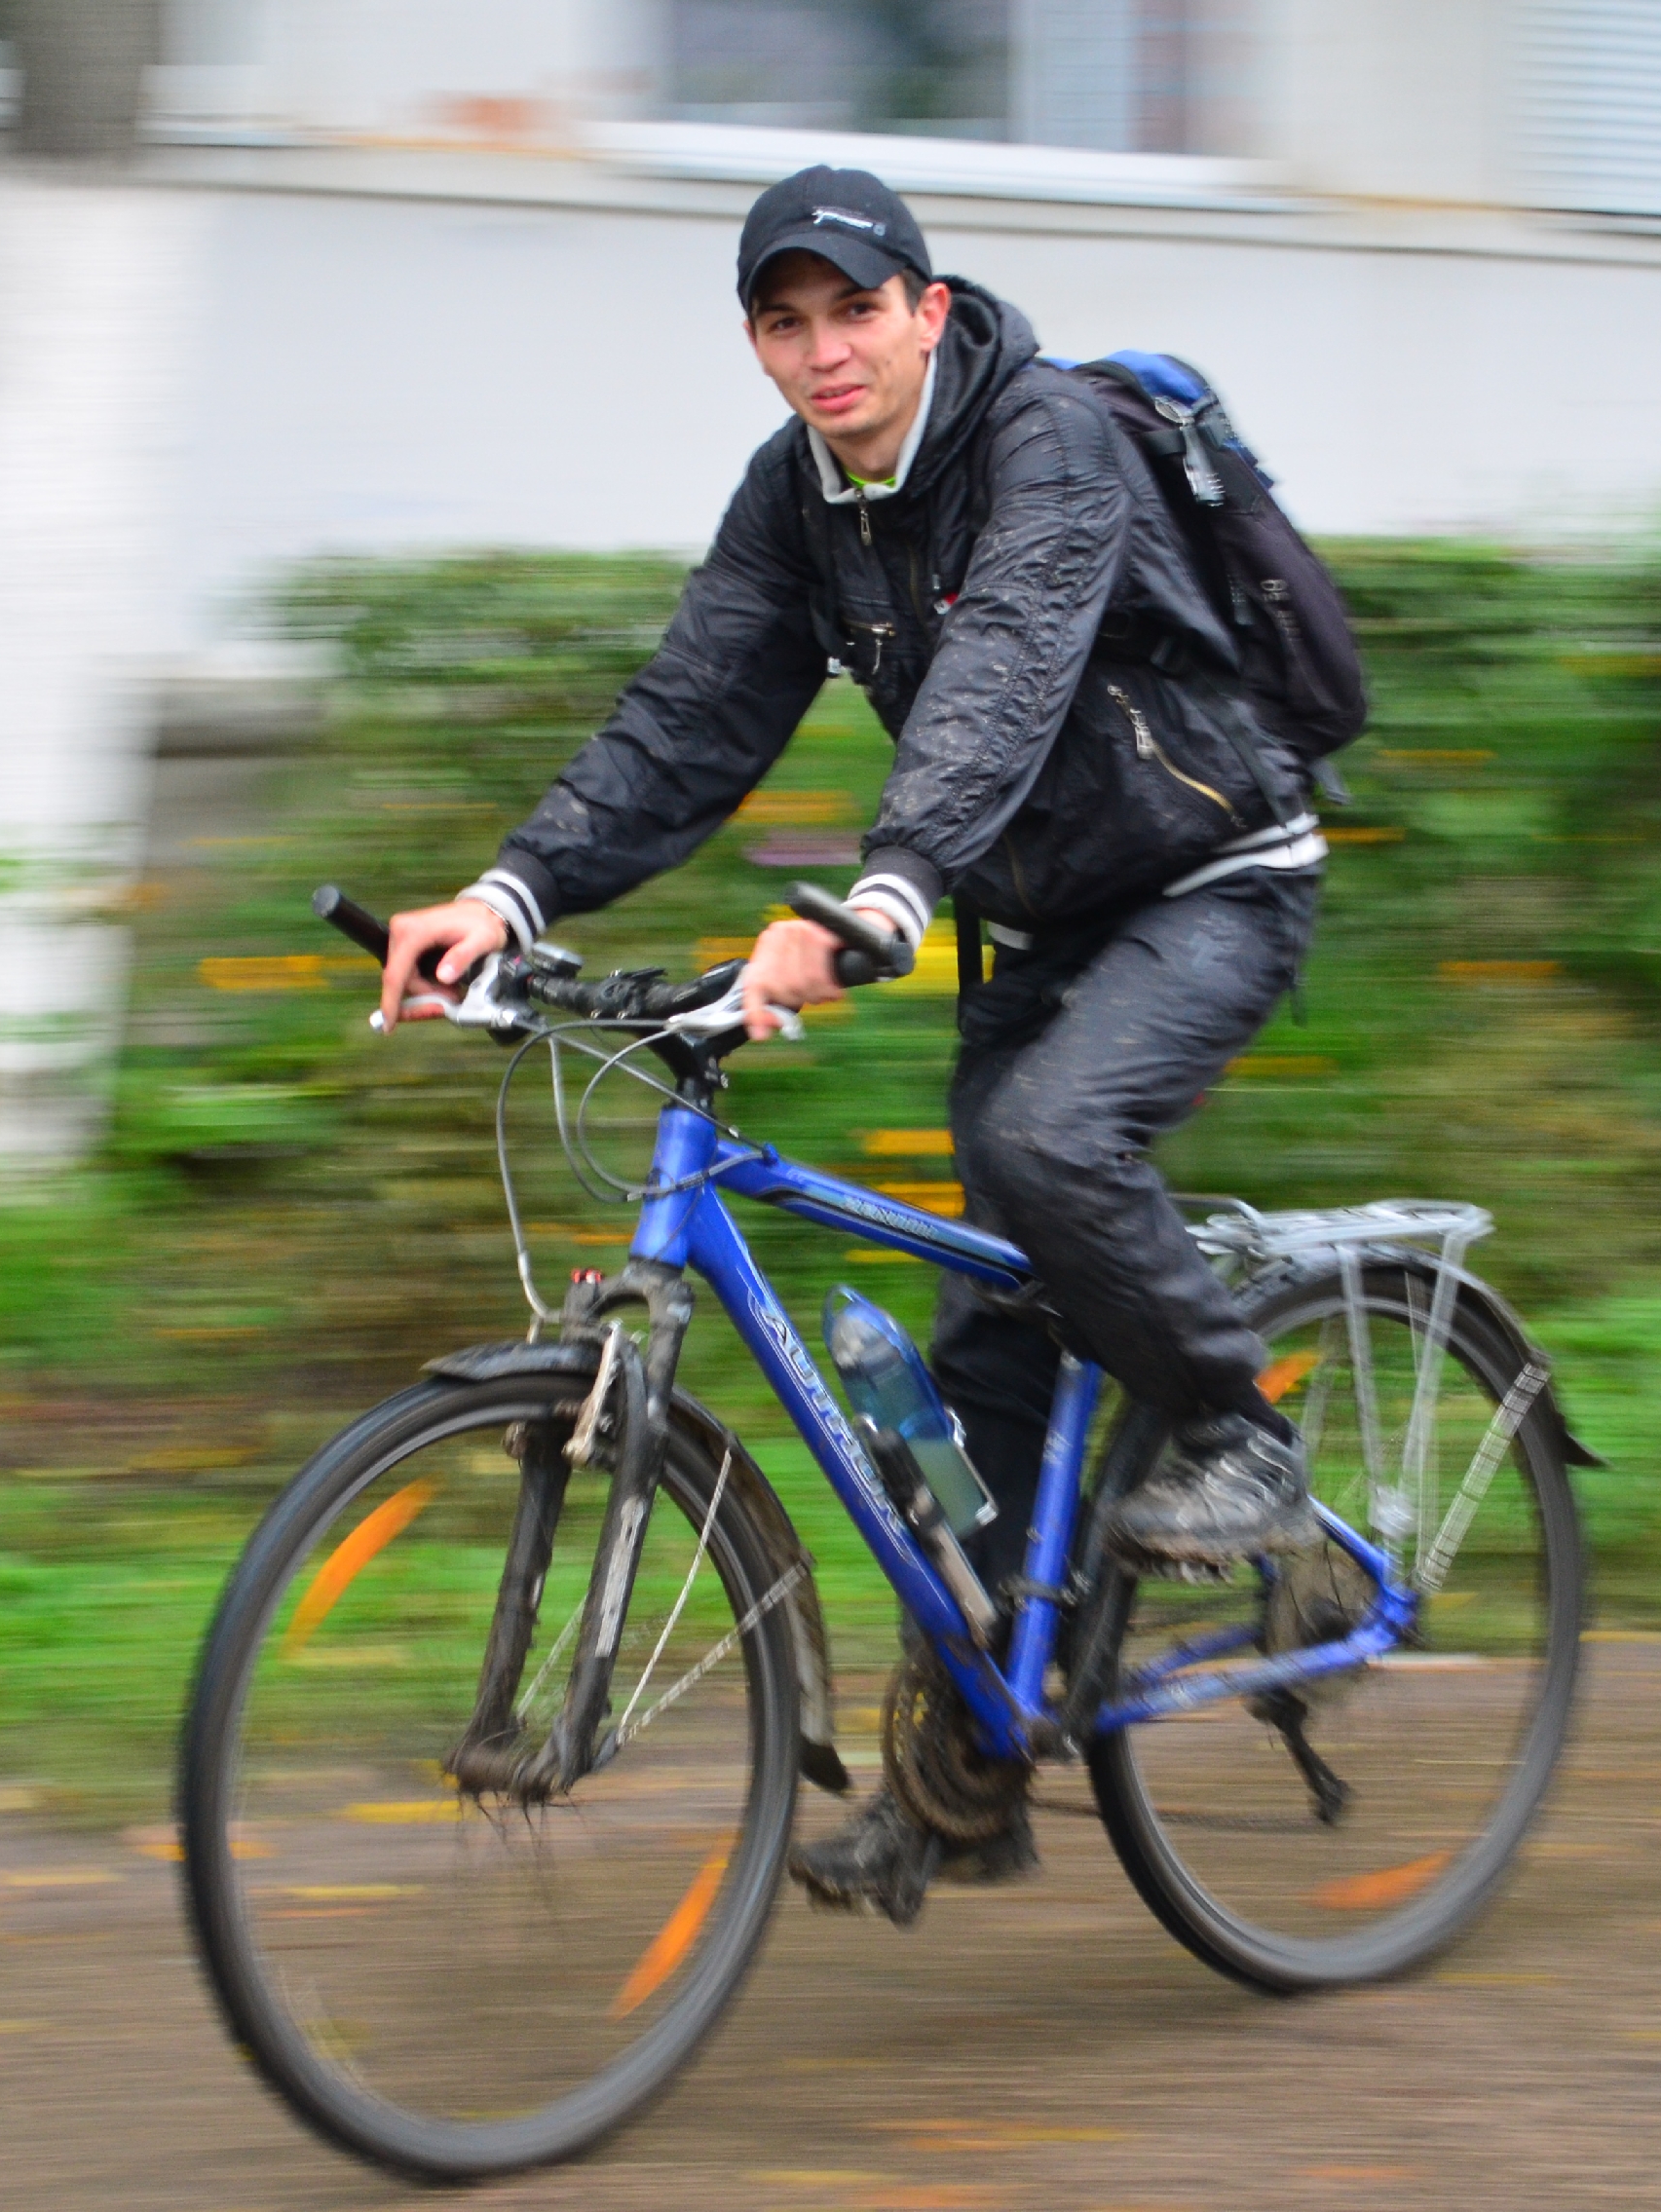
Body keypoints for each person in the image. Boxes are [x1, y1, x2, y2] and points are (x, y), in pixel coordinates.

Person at [371, 166, 1329, 1924]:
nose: (824, 351)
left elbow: (1006, 672)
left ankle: (1236, 1426)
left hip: (1208, 877)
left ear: (926, 312)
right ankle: (966, 1784)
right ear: (756, 342)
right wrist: (506, 895)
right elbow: (688, 718)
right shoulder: (794, 496)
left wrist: (881, 891)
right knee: (975, 1358)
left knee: (1046, 1147)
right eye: (783, 321)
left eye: (855, 311)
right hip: (1029, 914)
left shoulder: (1047, 442)